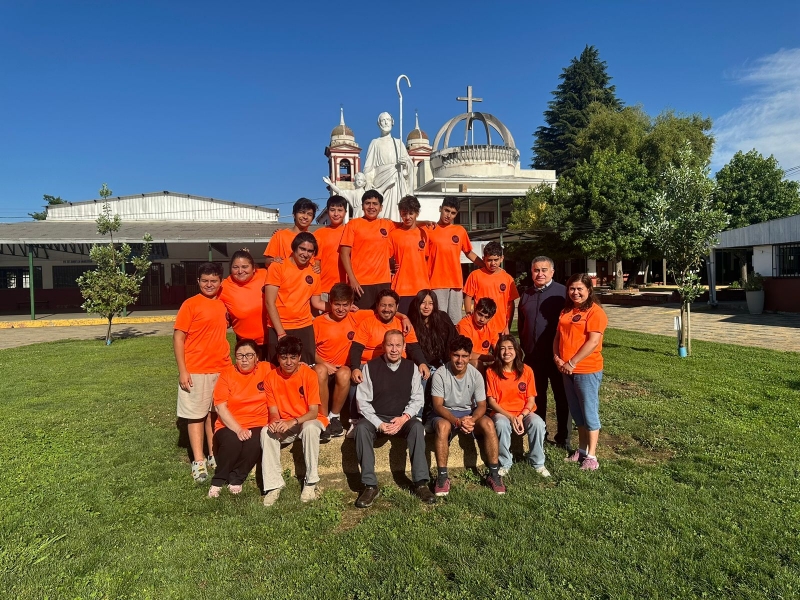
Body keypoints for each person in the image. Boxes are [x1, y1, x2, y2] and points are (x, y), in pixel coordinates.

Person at [353, 330, 436, 507]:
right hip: (377, 417)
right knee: (361, 428)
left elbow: (417, 399)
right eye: (390, 345)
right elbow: (363, 402)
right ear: (383, 346)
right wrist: (379, 423)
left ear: (404, 347)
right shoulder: (370, 367)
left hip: (402, 418)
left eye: (398, 345)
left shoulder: (411, 368)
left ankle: (420, 483)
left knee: (416, 428)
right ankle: (369, 485)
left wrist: (404, 418)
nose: (394, 349)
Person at [173, 262, 231, 483]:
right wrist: (183, 370)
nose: (209, 284)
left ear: (220, 282)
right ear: (198, 282)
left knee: (215, 414)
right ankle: (198, 461)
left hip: (221, 368)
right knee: (196, 415)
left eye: (213, 281)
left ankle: (213, 453)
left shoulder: (223, 303)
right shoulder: (190, 305)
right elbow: (178, 337)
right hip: (196, 369)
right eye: (205, 280)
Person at [430, 335, 505, 496]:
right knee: (443, 427)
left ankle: (494, 474)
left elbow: (482, 405)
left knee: (489, 424)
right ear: (450, 354)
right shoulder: (440, 374)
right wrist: (457, 421)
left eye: (464, 356)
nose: (460, 360)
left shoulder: (476, 374)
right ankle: (442, 477)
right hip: (447, 414)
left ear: (470, 356)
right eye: (456, 355)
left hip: (469, 414)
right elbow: (437, 405)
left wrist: (472, 419)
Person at [261, 336, 328, 506]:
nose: (288, 362)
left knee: (310, 428)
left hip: (309, 420)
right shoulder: (270, 378)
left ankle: (310, 482)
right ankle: (274, 485)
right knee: (266, 432)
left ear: (299, 358)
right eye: (284, 357)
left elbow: (313, 412)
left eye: (293, 357)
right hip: (288, 424)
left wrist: (292, 421)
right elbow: (273, 411)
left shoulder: (309, 375)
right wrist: (275, 421)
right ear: (278, 358)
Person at [554, 273, 608, 471]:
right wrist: (557, 358)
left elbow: (593, 342)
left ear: (588, 290)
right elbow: (558, 336)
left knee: (589, 412)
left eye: (579, 289)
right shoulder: (566, 310)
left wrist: (572, 362)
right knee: (577, 412)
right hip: (566, 369)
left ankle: (592, 456)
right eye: (572, 289)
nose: (575, 293)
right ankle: (582, 450)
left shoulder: (595, 312)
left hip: (587, 369)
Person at [208, 339, 272, 498]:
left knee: (255, 441)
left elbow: (285, 372)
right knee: (233, 441)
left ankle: (237, 477)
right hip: (229, 424)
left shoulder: (267, 368)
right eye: (240, 356)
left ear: (257, 357)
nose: (244, 359)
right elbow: (220, 407)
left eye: (249, 355)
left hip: (258, 422)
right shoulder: (227, 374)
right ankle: (218, 479)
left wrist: (301, 366)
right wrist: (238, 429)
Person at [518, 256, 570, 447]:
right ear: (531, 272)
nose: (540, 274)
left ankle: (563, 438)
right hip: (533, 357)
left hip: (557, 357)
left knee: (561, 397)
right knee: (536, 397)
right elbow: (522, 323)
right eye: (536, 270)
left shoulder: (562, 293)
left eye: (544, 270)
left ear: (552, 272)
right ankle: (540, 433)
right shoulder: (526, 294)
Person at [312, 283, 371, 438]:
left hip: (341, 370)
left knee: (345, 372)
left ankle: (334, 417)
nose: (341, 309)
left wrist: (403, 317)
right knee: (320, 370)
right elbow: (310, 351)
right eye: (337, 304)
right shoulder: (318, 322)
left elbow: (382, 311)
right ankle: (322, 419)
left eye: (345, 305)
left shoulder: (355, 317)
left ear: (351, 304)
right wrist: (324, 363)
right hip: (322, 367)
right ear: (330, 303)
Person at [486, 335, 549, 478]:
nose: (506, 352)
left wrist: (521, 416)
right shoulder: (492, 372)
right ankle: (505, 463)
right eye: (502, 349)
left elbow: (531, 400)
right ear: (497, 352)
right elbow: (492, 402)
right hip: (502, 412)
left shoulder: (527, 370)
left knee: (538, 423)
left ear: (516, 350)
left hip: (523, 413)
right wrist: (511, 416)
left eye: (510, 348)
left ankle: (538, 462)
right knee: (501, 424)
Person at [264, 232, 325, 364]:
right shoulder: (277, 267)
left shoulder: (313, 272)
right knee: (279, 371)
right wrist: (281, 333)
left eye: (310, 251)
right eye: (302, 249)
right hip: (279, 327)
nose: (305, 254)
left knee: (307, 369)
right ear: (294, 248)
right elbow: (269, 302)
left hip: (304, 326)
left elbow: (317, 302)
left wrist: (340, 306)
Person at [349, 289, 430, 383]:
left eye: (391, 305)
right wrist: (355, 368)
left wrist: (422, 363)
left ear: (397, 307)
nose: (387, 309)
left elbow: (414, 348)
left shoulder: (404, 325)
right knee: (355, 379)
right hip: (369, 366)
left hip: (398, 366)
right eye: (383, 305)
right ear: (377, 306)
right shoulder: (367, 323)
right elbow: (356, 348)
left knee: (422, 375)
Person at [424, 197, 484, 324]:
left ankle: (454, 344)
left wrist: (486, 266)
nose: (448, 215)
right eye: (446, 211)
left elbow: (469, 253)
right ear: (440, 209)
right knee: (438, 321)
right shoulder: (429, 229)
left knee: (455, 321)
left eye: (453, 213)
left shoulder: (460, 231)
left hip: (456, 283)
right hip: (436, 282)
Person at [339, 190, 396, 309]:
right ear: (362, 206)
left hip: (383, 282)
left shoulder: (387, 224)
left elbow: (406, 224)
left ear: (381, 207)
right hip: (361, 283)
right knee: (361, 318)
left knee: (382, 319)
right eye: (367, 203)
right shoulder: (353, 224)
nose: (371, 207)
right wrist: (352, 279)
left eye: (375, 204)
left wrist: (425, 223)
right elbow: (344, 254)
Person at [363, 112, 413, 222]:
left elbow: (410, 165)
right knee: (382, 211)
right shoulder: (375, 143)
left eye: (388, 120)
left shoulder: (398, 143)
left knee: (397, 210)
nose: (386, 122)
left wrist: (405, 164)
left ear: (393, 122)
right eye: (383, 120)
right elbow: (368, 167)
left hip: (396, 182)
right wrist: (368, 183)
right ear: (378, 124)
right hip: (380, 183)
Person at [463, 241, 519, 337]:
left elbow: (510, 304)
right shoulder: (475, 275)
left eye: (496, 260)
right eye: (489, 260)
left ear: (502, 258)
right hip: (480, 326)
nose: (493, 263)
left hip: (500, 328)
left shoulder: (508, 278)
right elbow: (468, 297)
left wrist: (507, 325)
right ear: (484, 259)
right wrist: (469, 315)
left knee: (499, 352)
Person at [218, 249, 269, 357]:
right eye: (235, 267)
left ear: (254, 268)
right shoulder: (224, 286)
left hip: (272, 339)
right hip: (245, 344)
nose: (240, 271)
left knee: (273, 373)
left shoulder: (265, 275)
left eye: (245, 267)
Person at [389, 195, 430, 314]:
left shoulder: (425, 233)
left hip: (422, 287)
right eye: (404, 214)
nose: (407, 217)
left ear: (417, 213)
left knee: (421, 328)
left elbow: (428, 258)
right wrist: (391, 265)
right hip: (401, 288)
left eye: (411, 213)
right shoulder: (394, 235)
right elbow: (387, 258)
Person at [263, 198, 318, 266]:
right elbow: (267, 262)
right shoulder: (279, 235)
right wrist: (274, 260)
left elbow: (317, 263)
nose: (305, 217)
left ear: (313, 218)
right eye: (301, 212)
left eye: (309, 214)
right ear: (294, 215)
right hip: (283, 275)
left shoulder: (314, 239)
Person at [313, 196, 349, 299]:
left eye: (340, 210)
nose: (336, 214)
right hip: (323, 288)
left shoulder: (351, 231)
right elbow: (316, 261)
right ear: (328, 212)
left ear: (345, 212)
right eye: (332, 210)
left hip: (346, 288)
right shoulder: (319, 234)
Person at [455, 297, 498, 372]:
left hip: (484, 357)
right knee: (477, 363)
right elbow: (468, 354)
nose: (482, 319)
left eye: (486, 317)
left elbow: (497, 347)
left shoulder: (491, 325)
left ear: (491, 318)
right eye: (480, 314)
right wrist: (491, 358)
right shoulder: (464, 325)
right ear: (474, 310)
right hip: (463, 359)